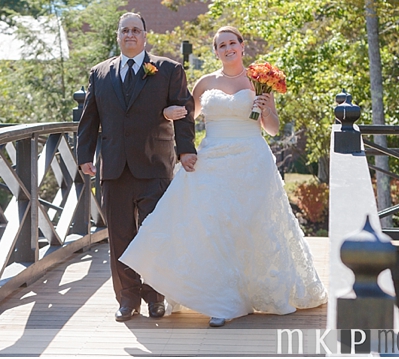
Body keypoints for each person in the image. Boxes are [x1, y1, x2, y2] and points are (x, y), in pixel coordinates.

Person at [120, 26, 327, 327]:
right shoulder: (205, 83)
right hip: (213, 159)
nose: (228, 48)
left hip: (251, 162)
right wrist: (170, 119)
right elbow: (186, 118)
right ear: (215, 52)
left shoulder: (258, 81)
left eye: (233, 43)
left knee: (247, 227)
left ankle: (243, 295)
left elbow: (271, 129)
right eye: (221, 45)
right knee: (210, 227)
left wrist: (267, 110)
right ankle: (222, 300)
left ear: (242, 47)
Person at [77, 12, 197, 322]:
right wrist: (84, 154)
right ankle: (127, 299)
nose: (130, 34)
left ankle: (155, 297)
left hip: (154, 165)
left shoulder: (168, 70)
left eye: (135, 30)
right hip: (114, 168)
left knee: (154, 235)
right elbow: (89, 118)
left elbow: (185, 112)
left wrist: (186, 151)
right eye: (124, 30)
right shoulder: (99, 73)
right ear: (118, 36)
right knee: (120, 236)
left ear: (145, 36)